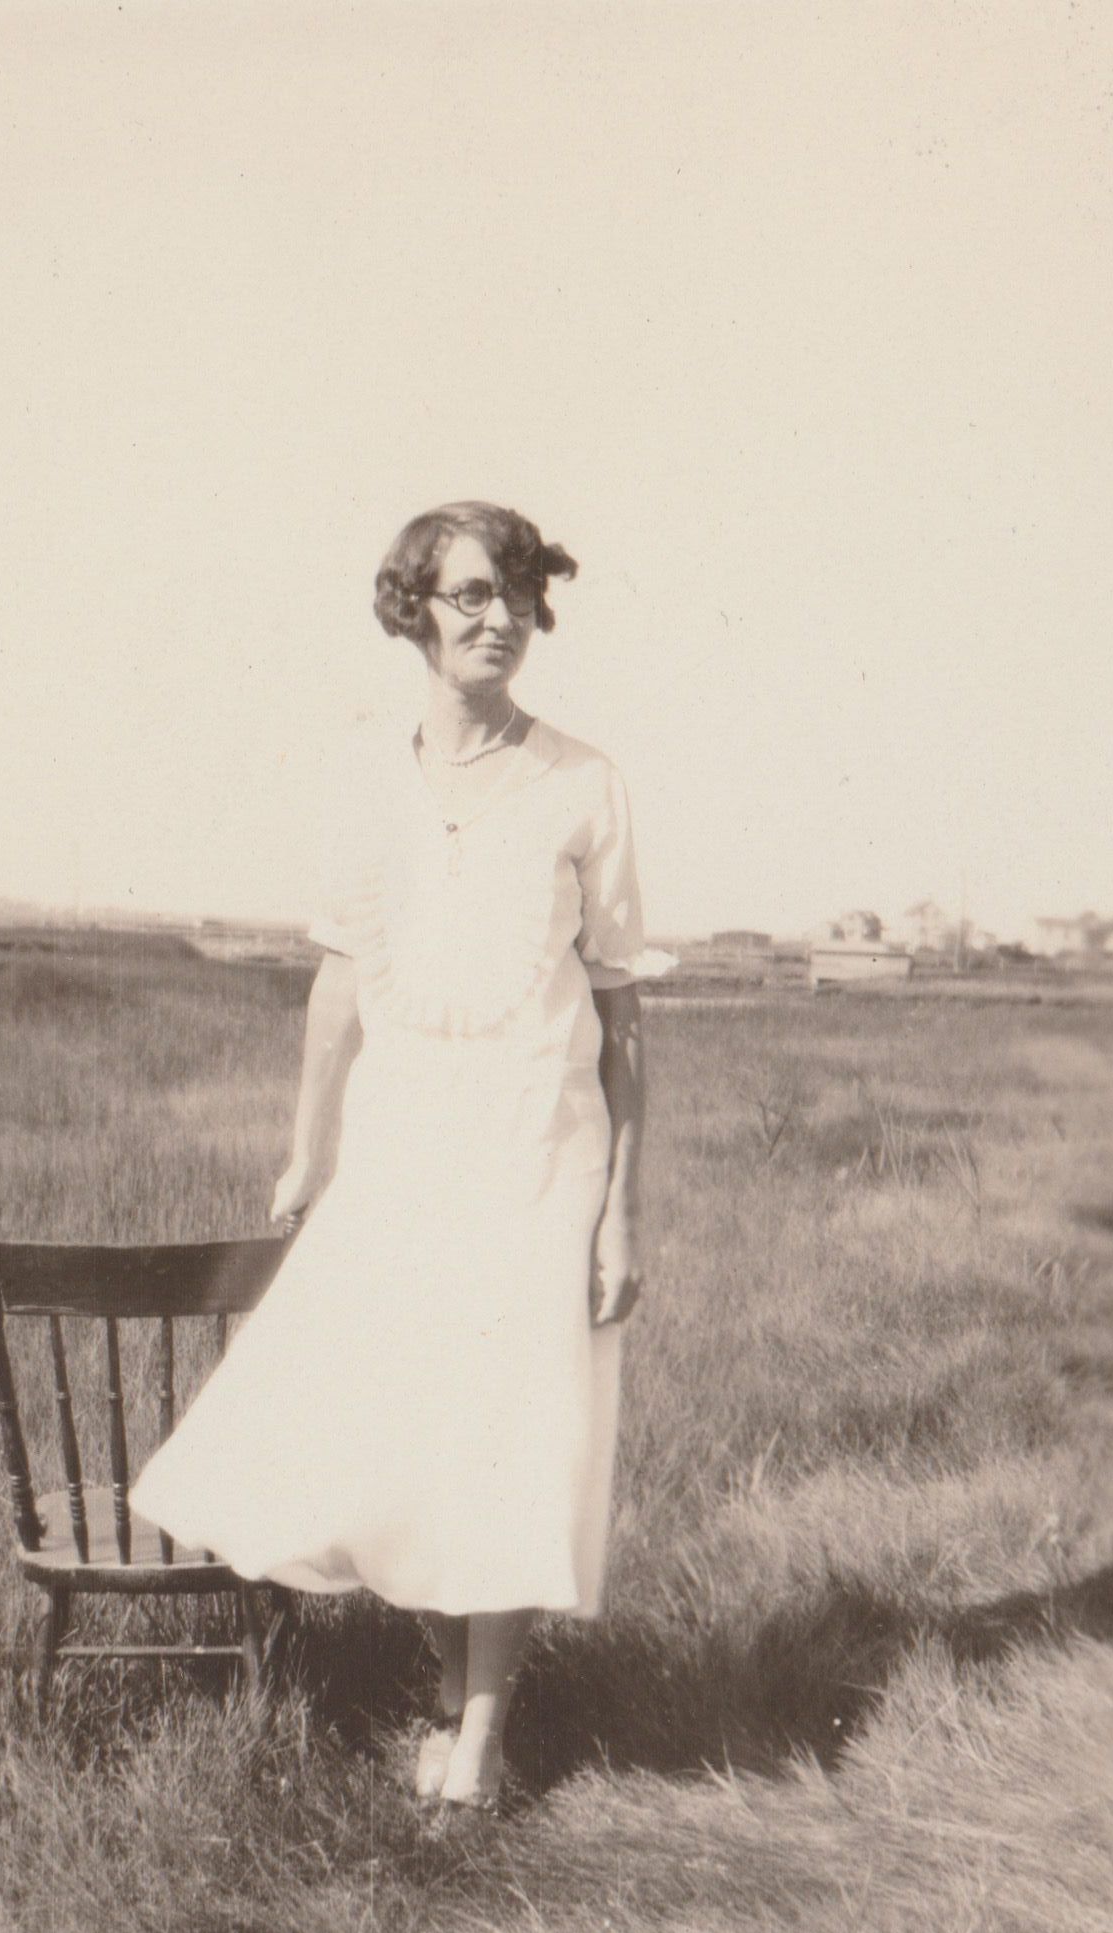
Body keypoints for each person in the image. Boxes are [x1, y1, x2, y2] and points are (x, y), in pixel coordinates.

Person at [131, 501, 672, 1809]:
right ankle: (446, 1689)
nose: (502, 618)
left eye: (520, 595)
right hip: (403, 1159)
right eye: (474, 594)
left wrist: (620, 1214)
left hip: (540, 1156)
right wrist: (306, 1154)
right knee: (411, 1434)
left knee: (513, 1437)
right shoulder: (361, 777)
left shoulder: (584, 783)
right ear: (413, 609)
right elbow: (340, 986)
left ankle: (478, 1749)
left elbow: (621, 1022)